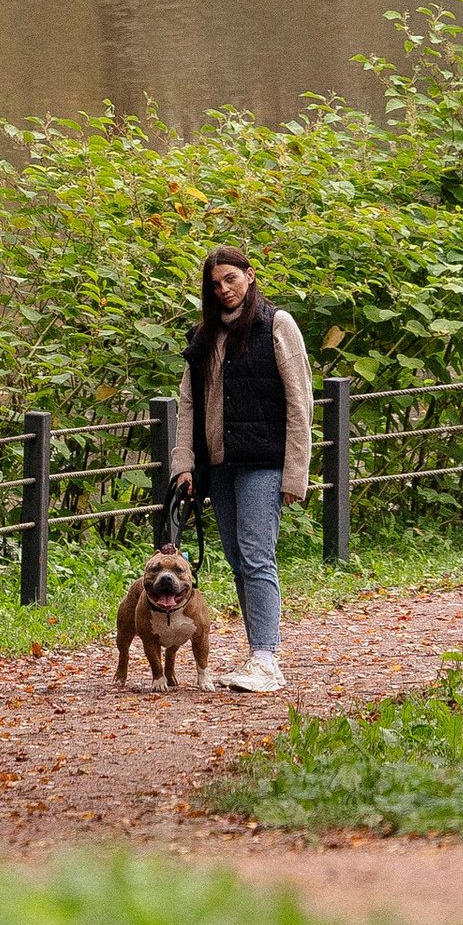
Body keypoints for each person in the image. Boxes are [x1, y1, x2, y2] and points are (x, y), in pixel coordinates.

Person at [166, 247, 311, 695]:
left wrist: (295, 473)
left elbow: (300, 400)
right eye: (215, 284)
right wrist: (184, 462)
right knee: (236, 560)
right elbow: (189, 404)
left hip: (264, 461)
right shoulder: (203, 334)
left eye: (230, 279)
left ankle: (266, 658)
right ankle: (258, 656)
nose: (223, 289)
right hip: (219, 465)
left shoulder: (277, 324)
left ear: (249, 275)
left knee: (255, 556)